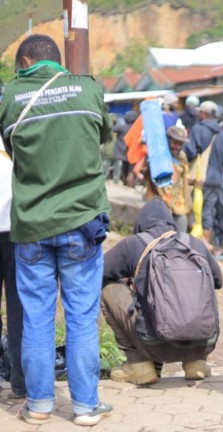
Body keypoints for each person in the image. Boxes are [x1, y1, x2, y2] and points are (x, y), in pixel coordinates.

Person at [0, 34, 113, 426]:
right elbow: (103, 139)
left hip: (31, 224)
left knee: (36, 317)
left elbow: (11, 149)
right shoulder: (88, 90)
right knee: (81, 316)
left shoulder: (11, 97)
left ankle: (39, 406)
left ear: (27, 59)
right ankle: (85, 408)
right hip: (81, 221)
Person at [101, 198, 223, 384]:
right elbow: (218, 281)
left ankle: (139, 364)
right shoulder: (194, 244)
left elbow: (99, 272)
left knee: (108, 289)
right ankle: (196, 363)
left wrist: (131, 279)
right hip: (202, 342)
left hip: (153, 344)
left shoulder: (134, 244)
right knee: (204, 284)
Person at [184, 101, 223, 247]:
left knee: (192, 209)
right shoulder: (222, 133)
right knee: (208, 212)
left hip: (199, 178)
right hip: (216, 179)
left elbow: (190, 152)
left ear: (203, 113)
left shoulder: (198, 129)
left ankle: (192, 244)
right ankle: (205, 245)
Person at [0, 135, 24, 400]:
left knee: (20, 310)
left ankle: (20, 382)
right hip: (17, 232)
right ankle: (21, 384)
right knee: (19, 310)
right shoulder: (14, 138)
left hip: (17, 233)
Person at [145, 126, 192, 232]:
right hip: (159, 206)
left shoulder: (182, 157)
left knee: (180, 239)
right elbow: (148, 177)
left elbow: (185, 177)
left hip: (178, 205)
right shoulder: (157, 156)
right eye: (175, 143)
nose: (177, 147)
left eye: (180, 144)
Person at [113, 110, 138, 186]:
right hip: (133, 153)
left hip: (123, 152)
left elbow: (112, 128)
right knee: (131, 169)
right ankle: (130, 183)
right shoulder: (137, 128)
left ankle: (123, 180)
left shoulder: (123, 128)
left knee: (124, 168)